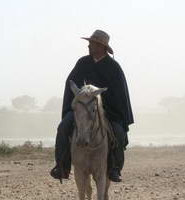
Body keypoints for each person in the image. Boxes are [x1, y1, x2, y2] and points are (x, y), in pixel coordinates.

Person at [50, 29, 134, 182]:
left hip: (109, 110)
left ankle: (114, 168)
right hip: (83, 108)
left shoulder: (114, 67)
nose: (88, 46)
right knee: (63, 127)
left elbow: (120, 95)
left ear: (101, 46)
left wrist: (102, 103)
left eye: (92, 44)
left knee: (119, 132)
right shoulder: (83, 62)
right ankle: (62, 166)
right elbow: (71, 83)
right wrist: (78, 102)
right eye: (89, 43)